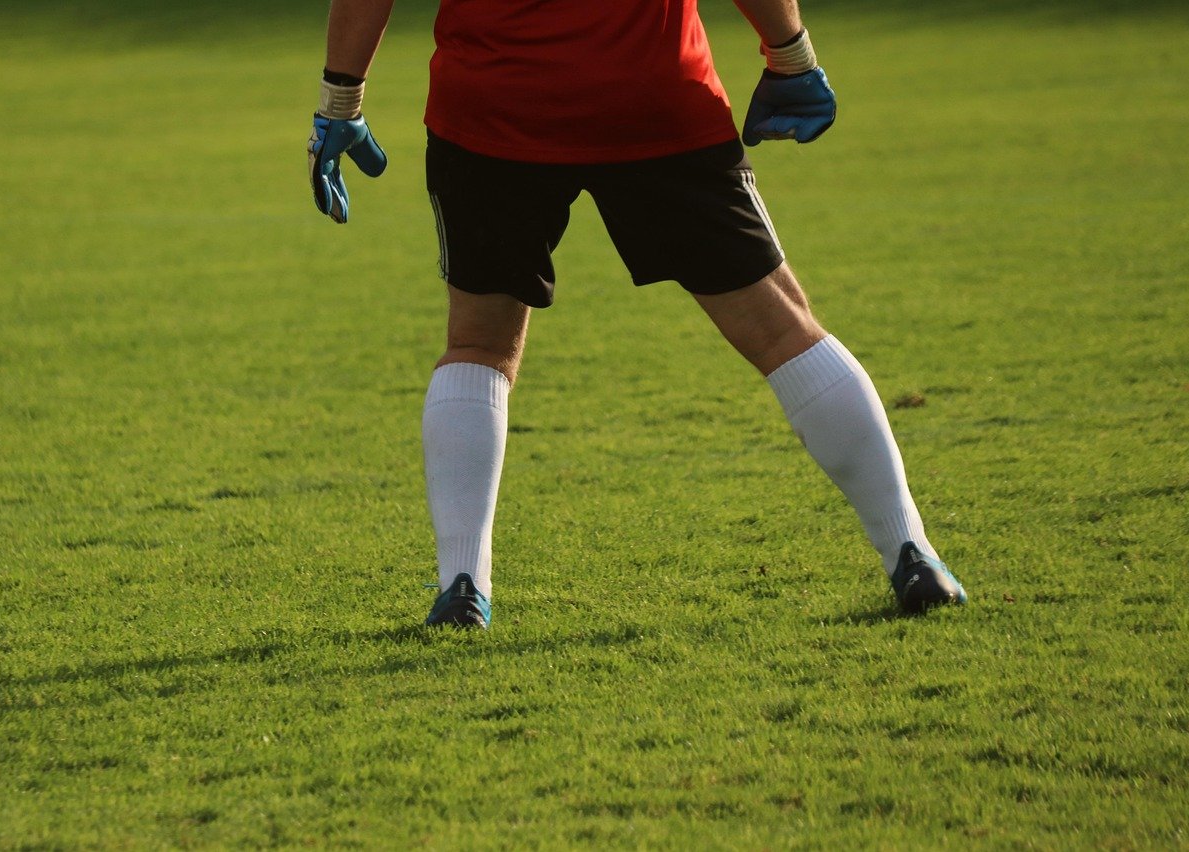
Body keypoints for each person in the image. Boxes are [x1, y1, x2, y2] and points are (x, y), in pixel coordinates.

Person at [308, 0, 968, 627]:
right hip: (652, 96)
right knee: (782, 330)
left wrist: (341, 99)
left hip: (496, 107)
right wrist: (789, 55)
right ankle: (911, 554)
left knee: (477, 343)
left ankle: (462, 586)